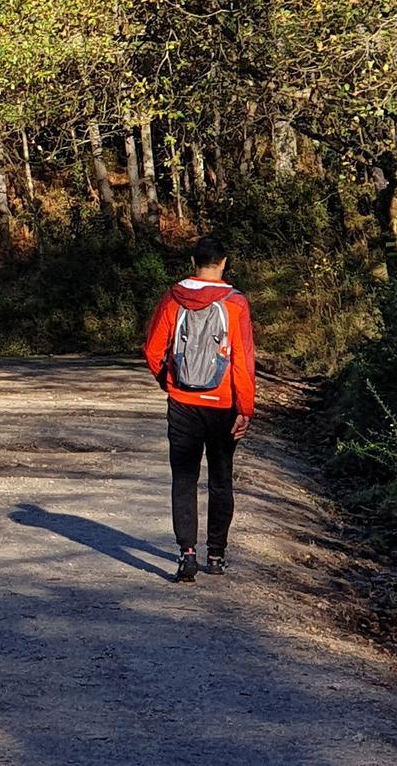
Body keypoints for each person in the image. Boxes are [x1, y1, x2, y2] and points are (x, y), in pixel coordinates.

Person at [142, 235, 256, 583]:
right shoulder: (235, 303)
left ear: (193, 262)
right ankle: (217, 555)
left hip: (183, 404)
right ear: (223, 263)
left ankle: (187, 553)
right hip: (222, 405)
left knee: (184, 479)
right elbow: (243, 361)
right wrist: (245, 408)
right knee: (221, 480)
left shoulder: (173, 298)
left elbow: (152, 349)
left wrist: (171, 382)